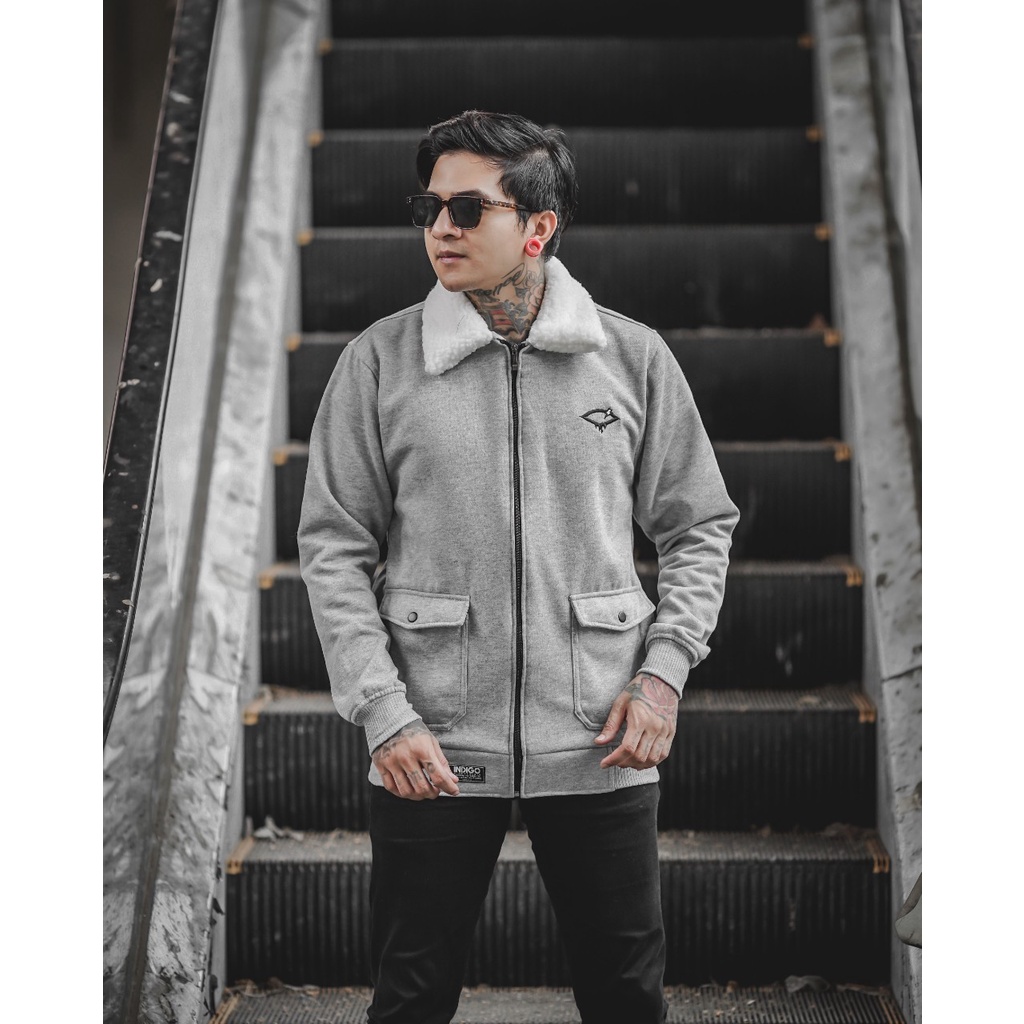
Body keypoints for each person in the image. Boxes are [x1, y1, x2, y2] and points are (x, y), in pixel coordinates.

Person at [298, 109, 739, 1024]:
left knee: (626, 996)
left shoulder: (632, 359)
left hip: (603, 731)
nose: (441, 227)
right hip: (428, 738)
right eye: (428, 208)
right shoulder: (378, 364)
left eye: (467, 208)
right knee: (410, 997)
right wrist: (383, 713)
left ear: (538, 227)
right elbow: (334, 549)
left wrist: (662, 677)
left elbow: (699, 524)